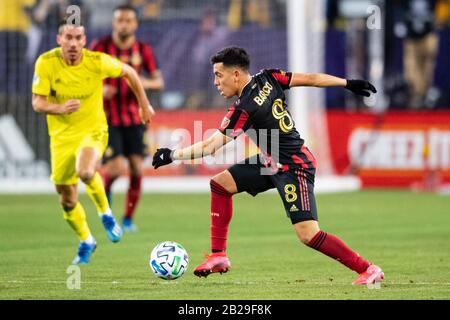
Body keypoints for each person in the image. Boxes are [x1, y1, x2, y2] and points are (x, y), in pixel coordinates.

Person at [152, 47, 384, 286]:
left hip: (295, 166)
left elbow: (211, 146)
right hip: (271, 161)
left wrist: (172, 154)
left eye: (218, 75)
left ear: (235, 74)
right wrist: (347, 83)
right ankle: (218, 255)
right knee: (220, 185)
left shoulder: (244, 108)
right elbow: (312, 79)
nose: (215, 82)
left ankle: (368, 269)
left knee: (308, 234)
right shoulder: (270, 77)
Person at [31, 18, 155, 264]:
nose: (74, 44)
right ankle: (87, 240)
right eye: (69, 38)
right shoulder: (46, 63)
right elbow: (37, 102)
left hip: (93, 131)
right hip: (61, 138)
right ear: (59, 40)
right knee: (67, 198)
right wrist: (60, 108)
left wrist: (144, 105)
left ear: (84, 40)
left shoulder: (95, 61)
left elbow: (129, 72)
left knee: (86, 171)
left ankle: (106, 214)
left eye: (78, 38)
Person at [90, 4, 164, 232]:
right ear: (114, 23)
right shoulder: (100, 47)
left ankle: (129, 220)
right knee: (114, 169)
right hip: (108, 119)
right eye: (120, 20)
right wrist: (99, 90)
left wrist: (136, 82)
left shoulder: (143, 50)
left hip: (135, 118)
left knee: (136, 169)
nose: (124, 24)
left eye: (128, 20)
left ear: (135, 24)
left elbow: (158, 82)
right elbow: (85, 77)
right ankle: (107, 209)